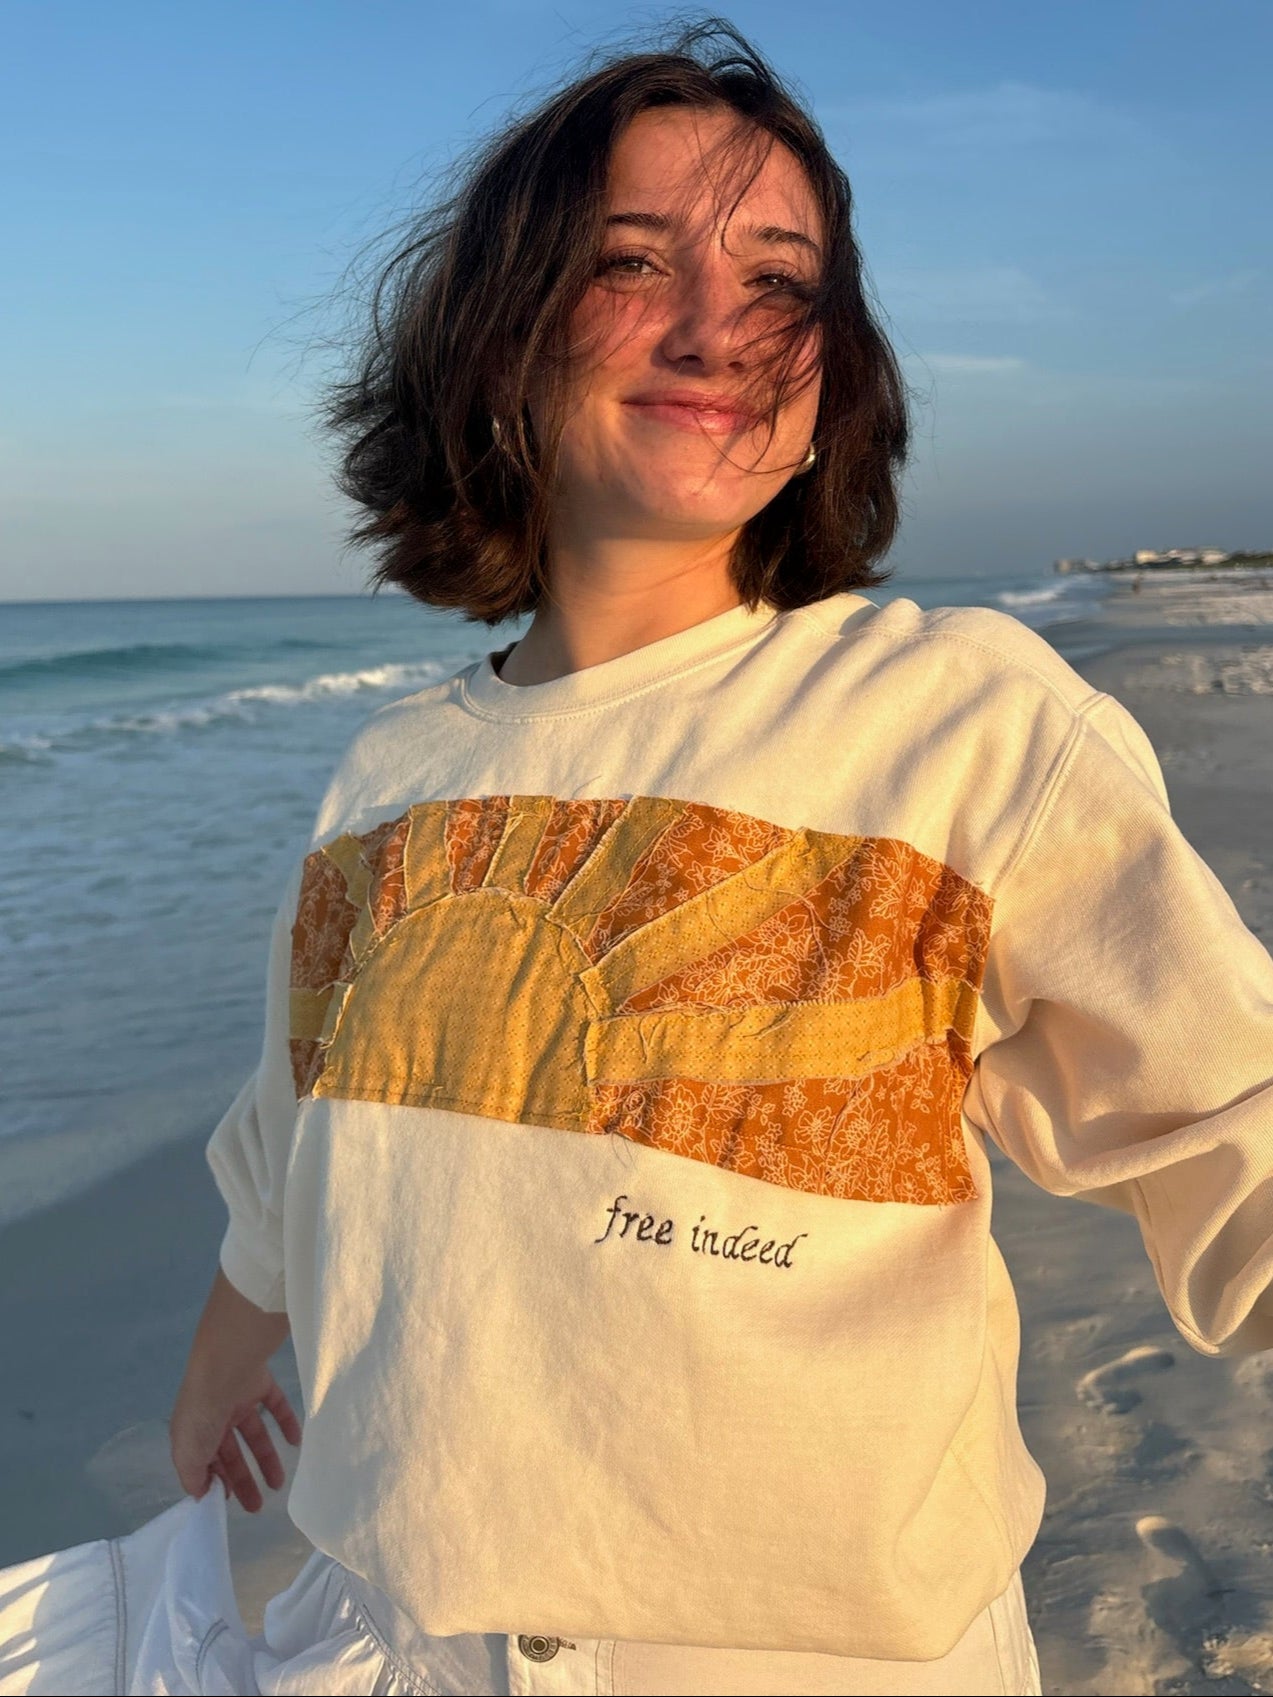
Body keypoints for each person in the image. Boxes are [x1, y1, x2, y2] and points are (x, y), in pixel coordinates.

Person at [21, 19, 1271, 1697]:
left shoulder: (960, 719)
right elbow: (289, 1137)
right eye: (631, 260)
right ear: (501, 335)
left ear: (831, 386)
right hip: (410, 1641)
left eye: (780, 282)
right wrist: (213, 1372)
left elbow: (1231, 1126)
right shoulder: (389, 782)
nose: (714, 327)